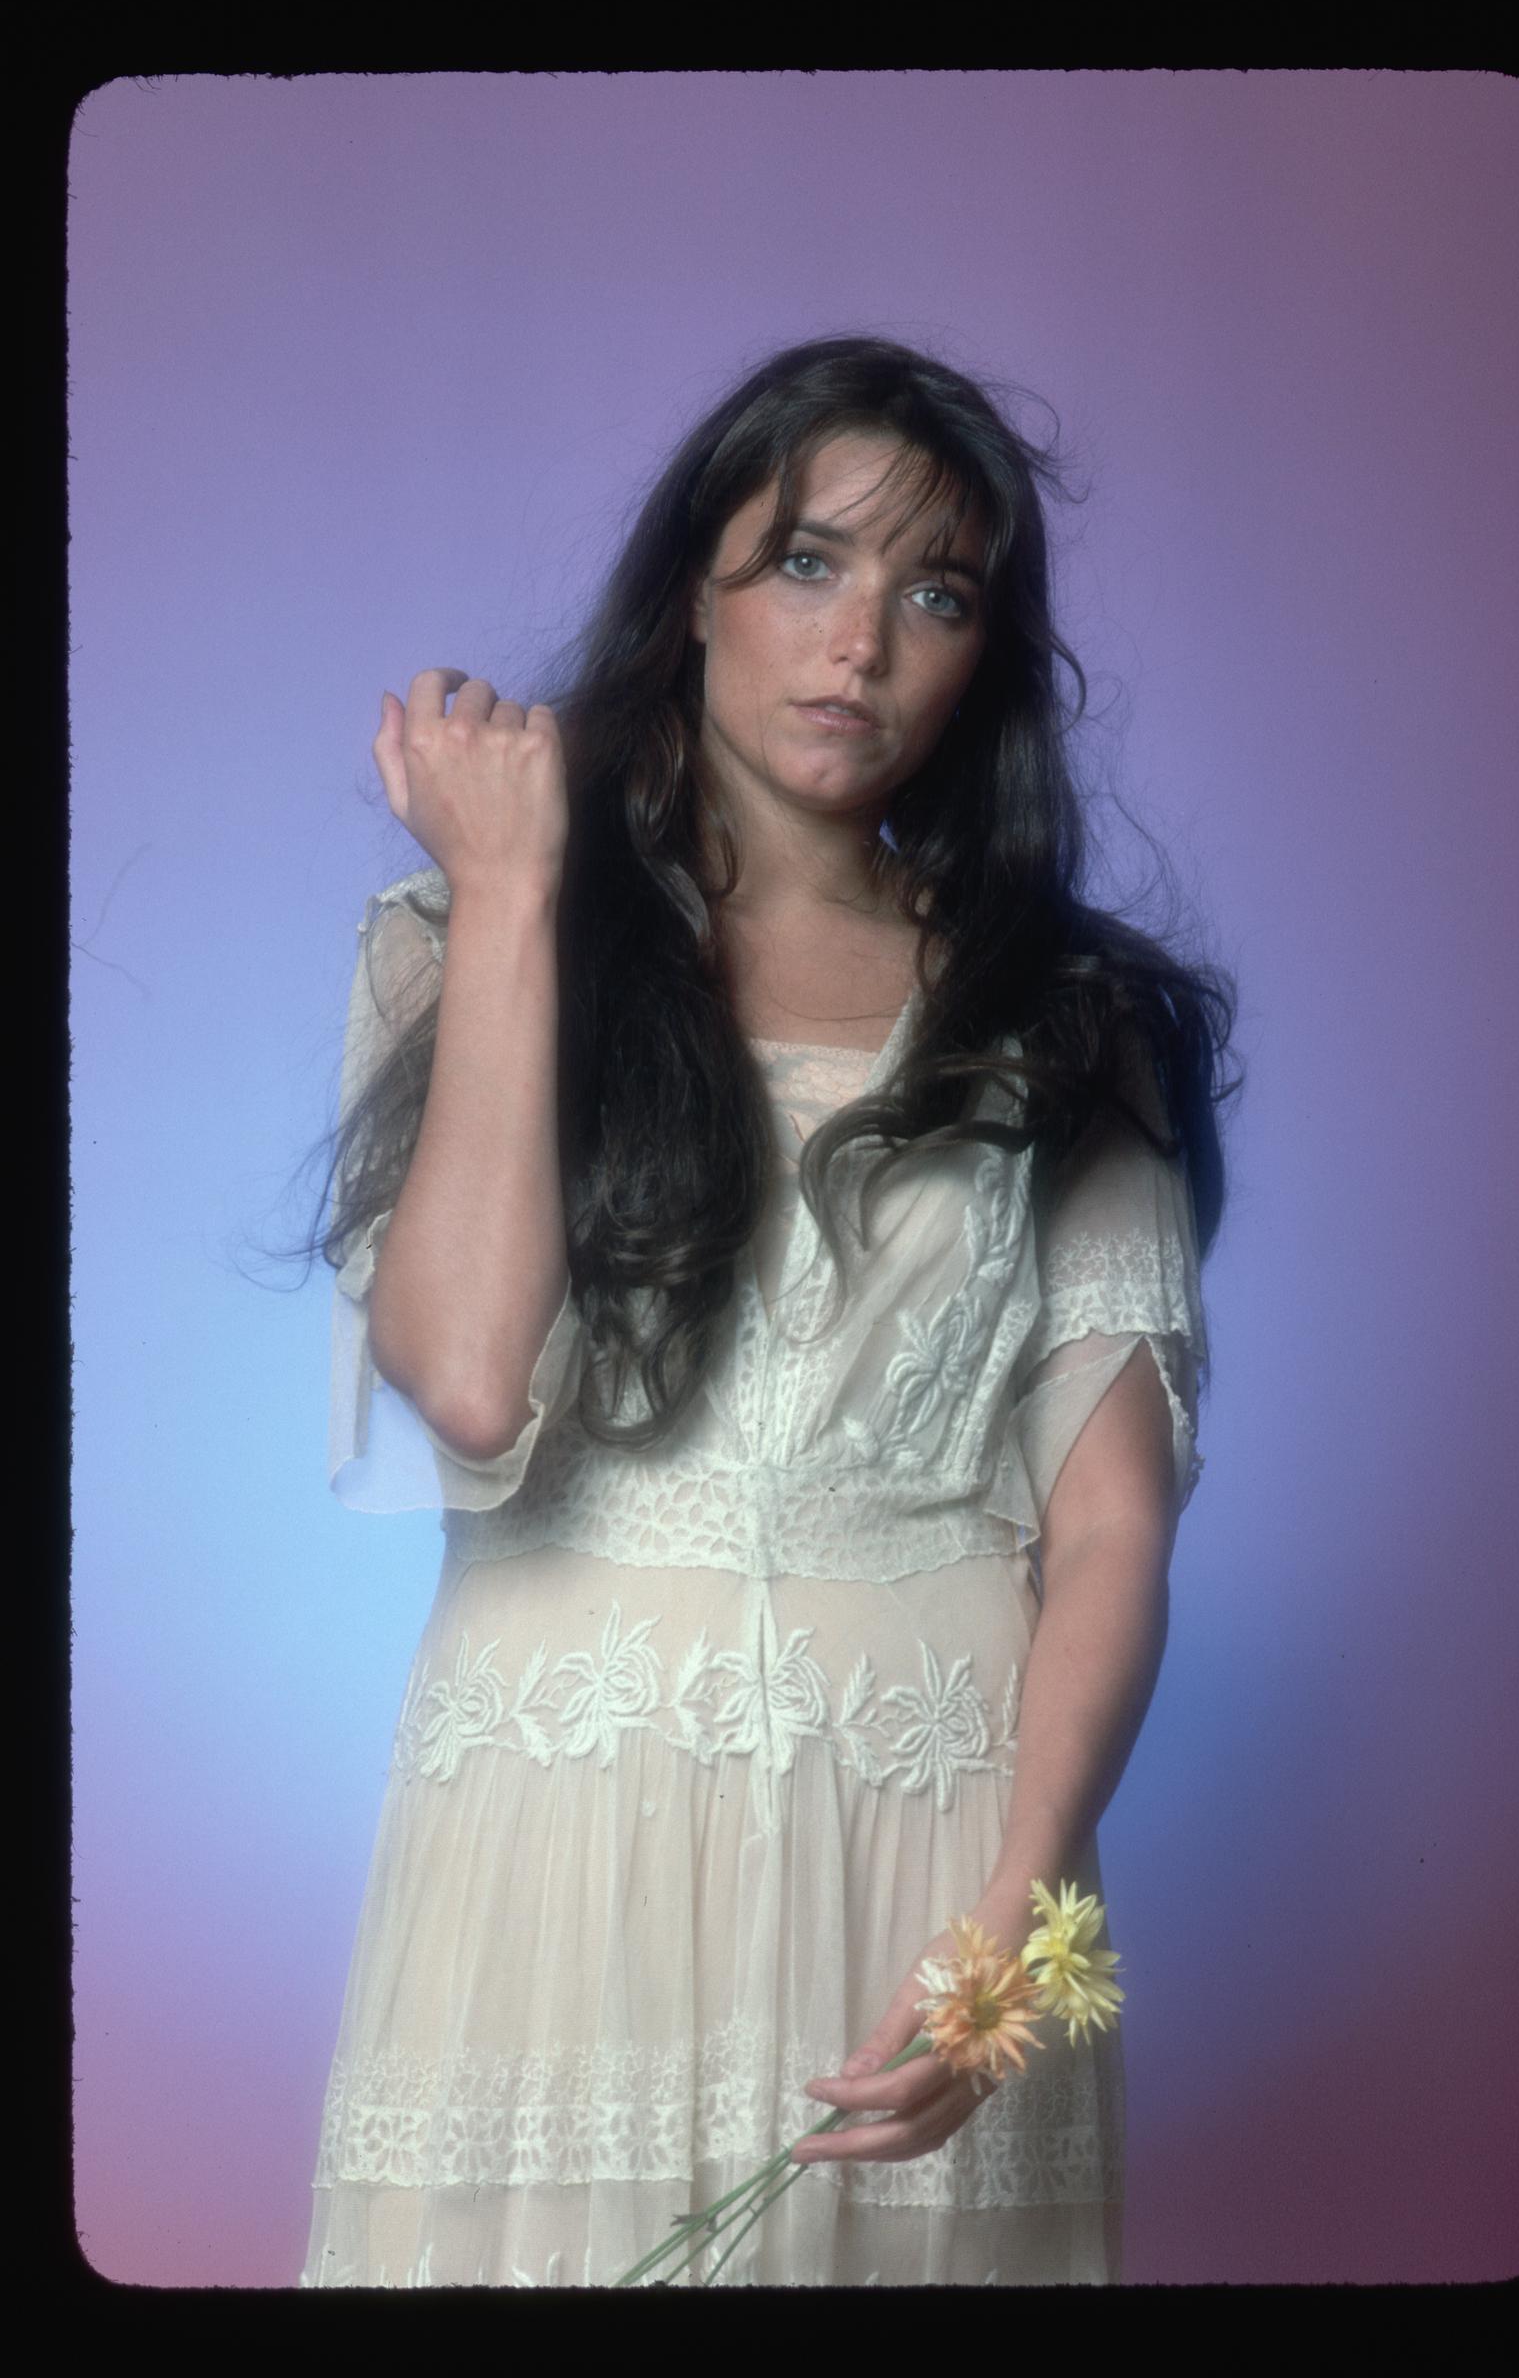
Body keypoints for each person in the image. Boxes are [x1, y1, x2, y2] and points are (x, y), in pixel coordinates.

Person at [295, 335, 1237, 2289]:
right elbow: (469, 1384)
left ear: (986, 651)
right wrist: (517, 889)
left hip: (935, 1855)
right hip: (562, 1828)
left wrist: (1021, 1898)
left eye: (936, 592)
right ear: (692, 597)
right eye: (806, 564)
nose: (862, 644)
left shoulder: (1068, 1019)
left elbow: (1112, 1520)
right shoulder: (457, 947)